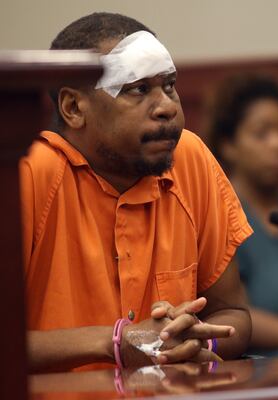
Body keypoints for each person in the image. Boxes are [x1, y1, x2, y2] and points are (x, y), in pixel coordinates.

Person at [21, 12, 253, 372]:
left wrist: (195, 340)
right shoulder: (30, 172)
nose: (167, 107)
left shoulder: (189, 159)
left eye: (170, 85)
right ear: (73, 108)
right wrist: (115, 342)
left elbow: (233, 314)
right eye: (138, 89)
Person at [206, 73, 278, 354]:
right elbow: (234, 315)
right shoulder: (217, 214)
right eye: (262, 133)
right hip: (262, 376)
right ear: (228, 144)